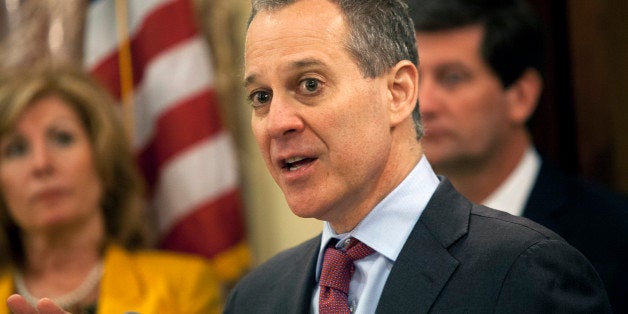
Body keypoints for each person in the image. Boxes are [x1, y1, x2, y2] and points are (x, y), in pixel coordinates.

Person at [225, 0, 610, 312]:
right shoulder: (256, 297)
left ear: (398, 92)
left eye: (310, 85)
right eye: (261, 97)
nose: (277, 123)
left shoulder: (527, 273)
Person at [407, 0, 628, 311]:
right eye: (412, 79)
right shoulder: (386, 236)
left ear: (521, 96)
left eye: (452, 78)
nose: (423, 104)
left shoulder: (612, 235)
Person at [0, 64, 223, 313]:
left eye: (62, 138)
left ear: (104, 161)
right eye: (16, 149)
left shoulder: (183, 286)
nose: (41, 164)